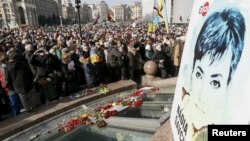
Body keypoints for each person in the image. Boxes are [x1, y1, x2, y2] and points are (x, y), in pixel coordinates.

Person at [181, 8, 245, 141]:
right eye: (199, 74)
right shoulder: (184, 107)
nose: (201, 94)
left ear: (228, 85)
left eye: (215, 83)